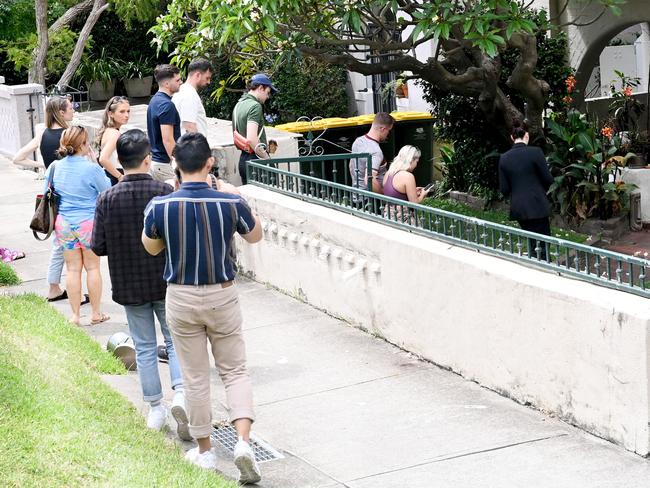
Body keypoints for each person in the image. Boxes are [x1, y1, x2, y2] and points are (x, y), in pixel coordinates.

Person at [142, 132, 263, 483]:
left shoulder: (161, 206)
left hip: (181, 296)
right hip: (222, 294)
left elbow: (150, 248)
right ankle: (243, 443)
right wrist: (231, 193)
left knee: (195, 378)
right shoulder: (229, 202)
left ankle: (206, 451)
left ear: (176, 165)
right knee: (235, 371)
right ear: (210, 163)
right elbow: (255, 236)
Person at [91, 129, 190, 438]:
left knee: (145, 347)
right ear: (148, 159)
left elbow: (98, 246)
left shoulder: (107, 197)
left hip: (129, 283)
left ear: (120, 161)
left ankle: (155, 408)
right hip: (165, 279)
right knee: (174, 342)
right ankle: (182, 395)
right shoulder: (163, 192)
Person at [13, 96, 79, 303]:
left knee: (59, 241)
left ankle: (56, 286)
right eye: (71, 107)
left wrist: (44, 167)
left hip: (51, 191)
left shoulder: (42, 133)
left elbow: (18, 158)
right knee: (63, 244)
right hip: (69, 193)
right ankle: (54, 288)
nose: (74, 110)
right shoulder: (68, 135)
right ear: (61, 112)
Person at [45, 126, 111, 325]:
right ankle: (96, 313)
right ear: (83, 144)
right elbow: (107, 191)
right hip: (88, 223)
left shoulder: (55, 167)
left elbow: (46, 192)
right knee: (92, 268)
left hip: (63, 224)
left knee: (72, 269)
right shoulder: (91, 168)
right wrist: (94, 162)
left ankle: (75, 316)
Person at [498, 120, 554, 259]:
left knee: (531, 242)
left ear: (512, 137)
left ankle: (534, 265)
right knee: (544, 243)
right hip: (538, 204)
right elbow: (548, 179)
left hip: (519, 207)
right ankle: (544, 270)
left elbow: (504, 189)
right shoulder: (536, 152)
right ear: (527, 135)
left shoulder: (504, 158)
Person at [232, 73, 277, 185]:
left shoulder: (239, 104)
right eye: (267, 93)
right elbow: (252, 139)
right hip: (256, 162)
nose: (268, 97)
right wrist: (268, 160)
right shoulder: (255, 106)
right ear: (261, 88)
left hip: (243, 160)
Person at [147, 64, 182, 182]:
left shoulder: (154, 100)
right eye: (177, 80)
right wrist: (179, 163)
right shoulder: (167, 105)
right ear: (167, 84)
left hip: (156, 163)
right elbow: (167, 139)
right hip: (165, 164)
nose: (181, 82)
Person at [349, 112, 395, 194]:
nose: (388, 134)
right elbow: (369, 179)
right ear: (383, 129)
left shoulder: (358, 141)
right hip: (371, 200)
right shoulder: (376, 151)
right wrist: (383, 195)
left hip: (357, 195)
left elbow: (351, 166)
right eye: (389, 130)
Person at [382, 145, 429, 222]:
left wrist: (413, 191)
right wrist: (423, 195)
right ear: (411, 160)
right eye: (416, 162)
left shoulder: (388, 173)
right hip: (403, 218)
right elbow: (414, 204)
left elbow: (393, 193)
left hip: (388, 215)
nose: (416, 165)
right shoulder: (408, 176)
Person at [172, 58, 212, 136]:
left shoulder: (182, 90)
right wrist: (199, 146)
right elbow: (189, 126)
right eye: (207, 78)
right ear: (198, 75)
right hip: (191, 146)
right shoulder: (189, 94)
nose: (208, 82)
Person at [96, 96, 130, 185]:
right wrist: (120, 176)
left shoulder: (108, 130)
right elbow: (103, 159)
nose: (126, 115)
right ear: (111, 114)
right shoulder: (115, 134)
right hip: (114, 177)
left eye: (128, 111)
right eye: (122, 111)